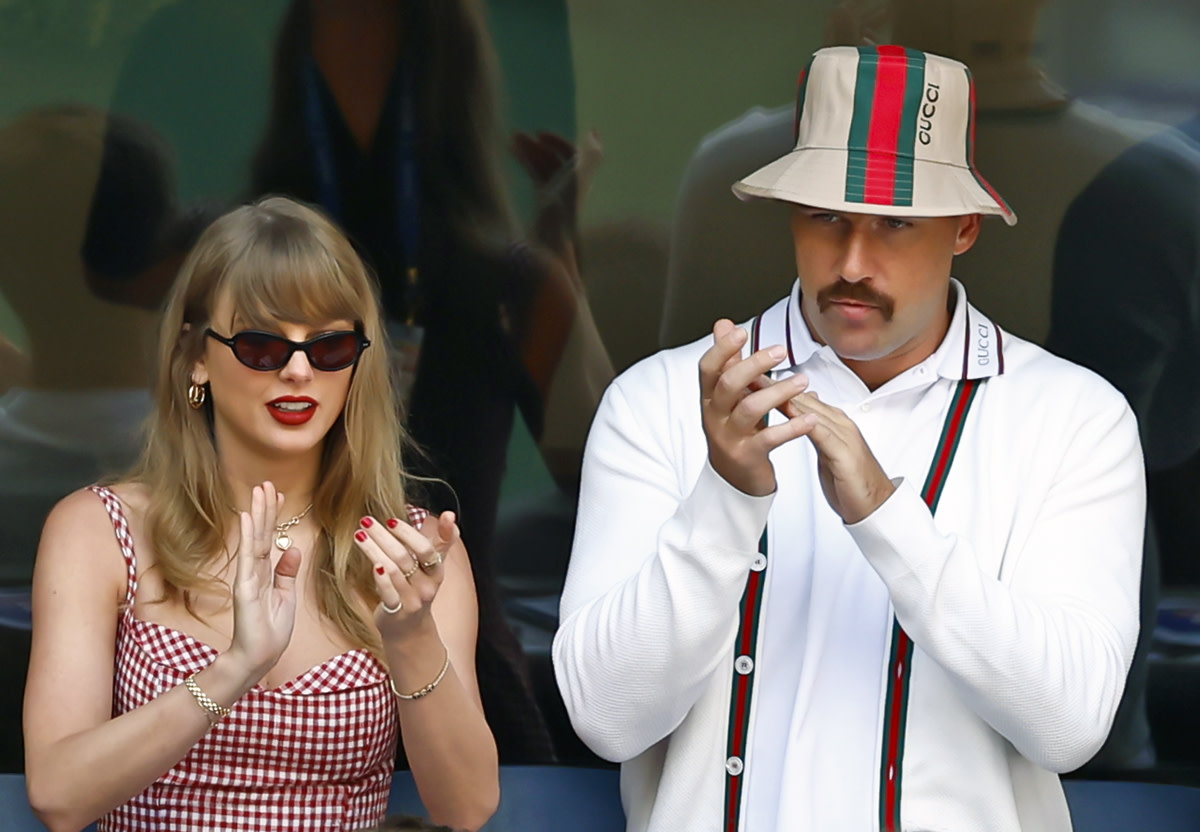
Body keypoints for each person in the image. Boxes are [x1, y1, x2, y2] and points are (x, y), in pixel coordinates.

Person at [554, 45, 1143, 832]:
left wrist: (887, 517)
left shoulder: (1074, 418)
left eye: (896, 223)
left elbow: (1068, 726)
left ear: (964, 227)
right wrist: (725, 497)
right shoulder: (657, 400)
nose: (854, 262)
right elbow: (606, 718)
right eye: (827, 215)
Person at [23, 197, 499, 832]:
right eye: (262, 345)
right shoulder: (100, 531)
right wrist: (234, 669)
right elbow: (58, 794)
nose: (299, 371)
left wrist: (411, 639)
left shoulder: (406, 549)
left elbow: (467, 809)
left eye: (330, 347)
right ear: (196, 356)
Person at [250, 0, 612, 762]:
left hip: (459, 689)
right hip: (255, 688)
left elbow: (601, 474)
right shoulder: (227, 279)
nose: (355, 40)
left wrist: (559, 258)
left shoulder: (512, 286)